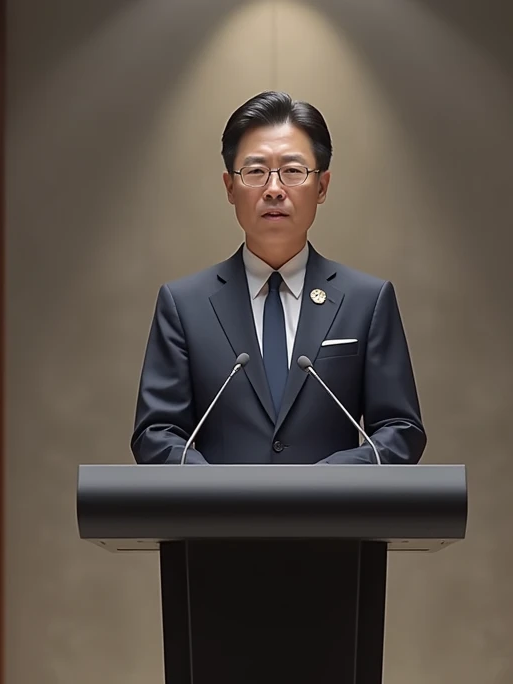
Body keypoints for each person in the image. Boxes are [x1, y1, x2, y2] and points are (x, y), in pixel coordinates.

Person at [131, 91, 426, 465]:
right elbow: (156, 433)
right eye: (255, 171)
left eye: (292, 171)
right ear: (229, 187)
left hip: (331, 519)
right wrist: (216, 489)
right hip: (219, 521)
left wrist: (330, 480)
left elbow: (401, 429)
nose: (273, 189)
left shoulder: (366, 300)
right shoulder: (184, 305)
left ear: (321, 186)